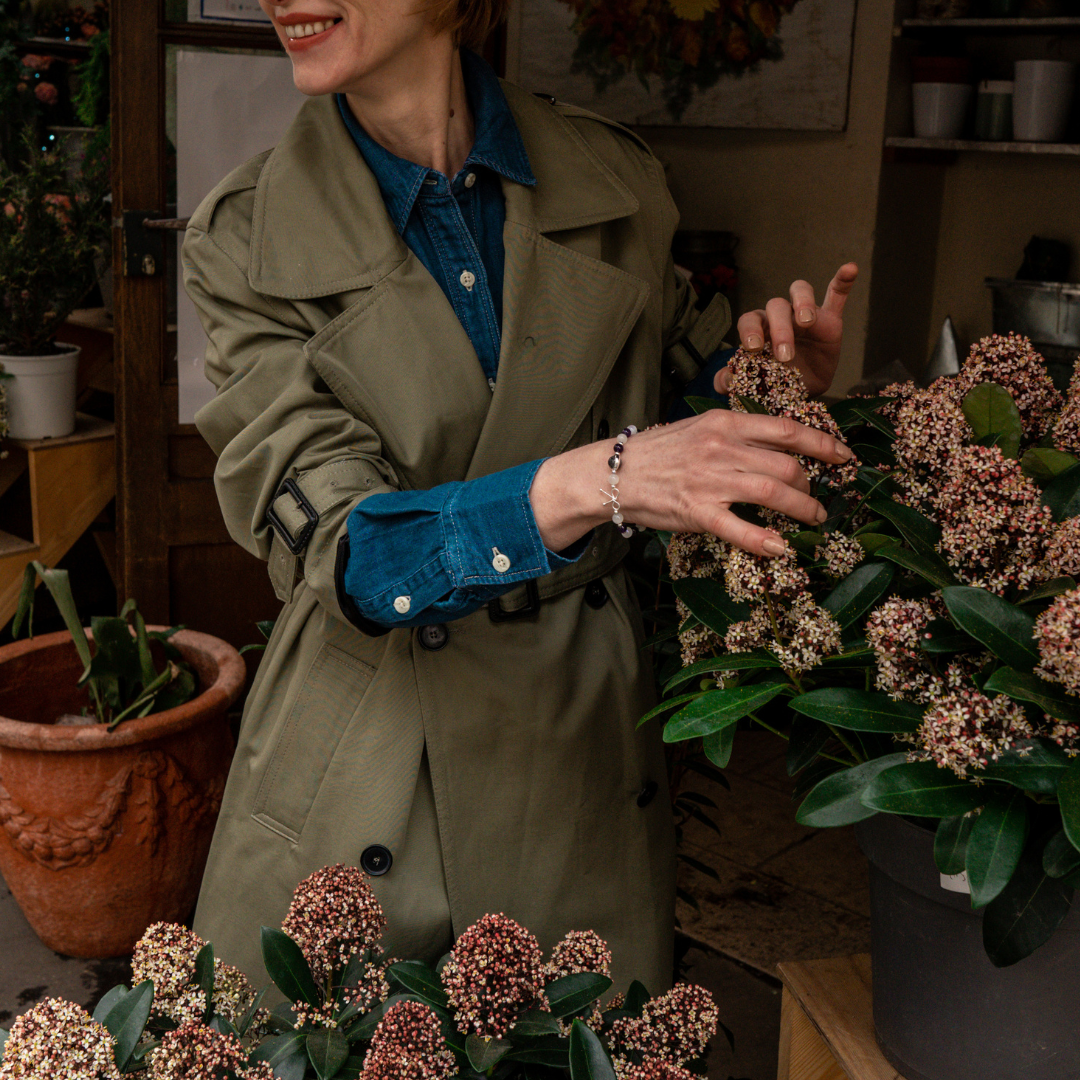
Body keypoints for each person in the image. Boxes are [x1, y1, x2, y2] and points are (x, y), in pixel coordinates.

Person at [182, 0, 858, 993]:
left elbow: (672, 386)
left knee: (573, 1039)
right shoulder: (244, 241)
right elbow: (349, 551)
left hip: (581, 740)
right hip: (370, 753)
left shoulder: (618, 179)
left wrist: (763, 385)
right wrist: (609, 476)